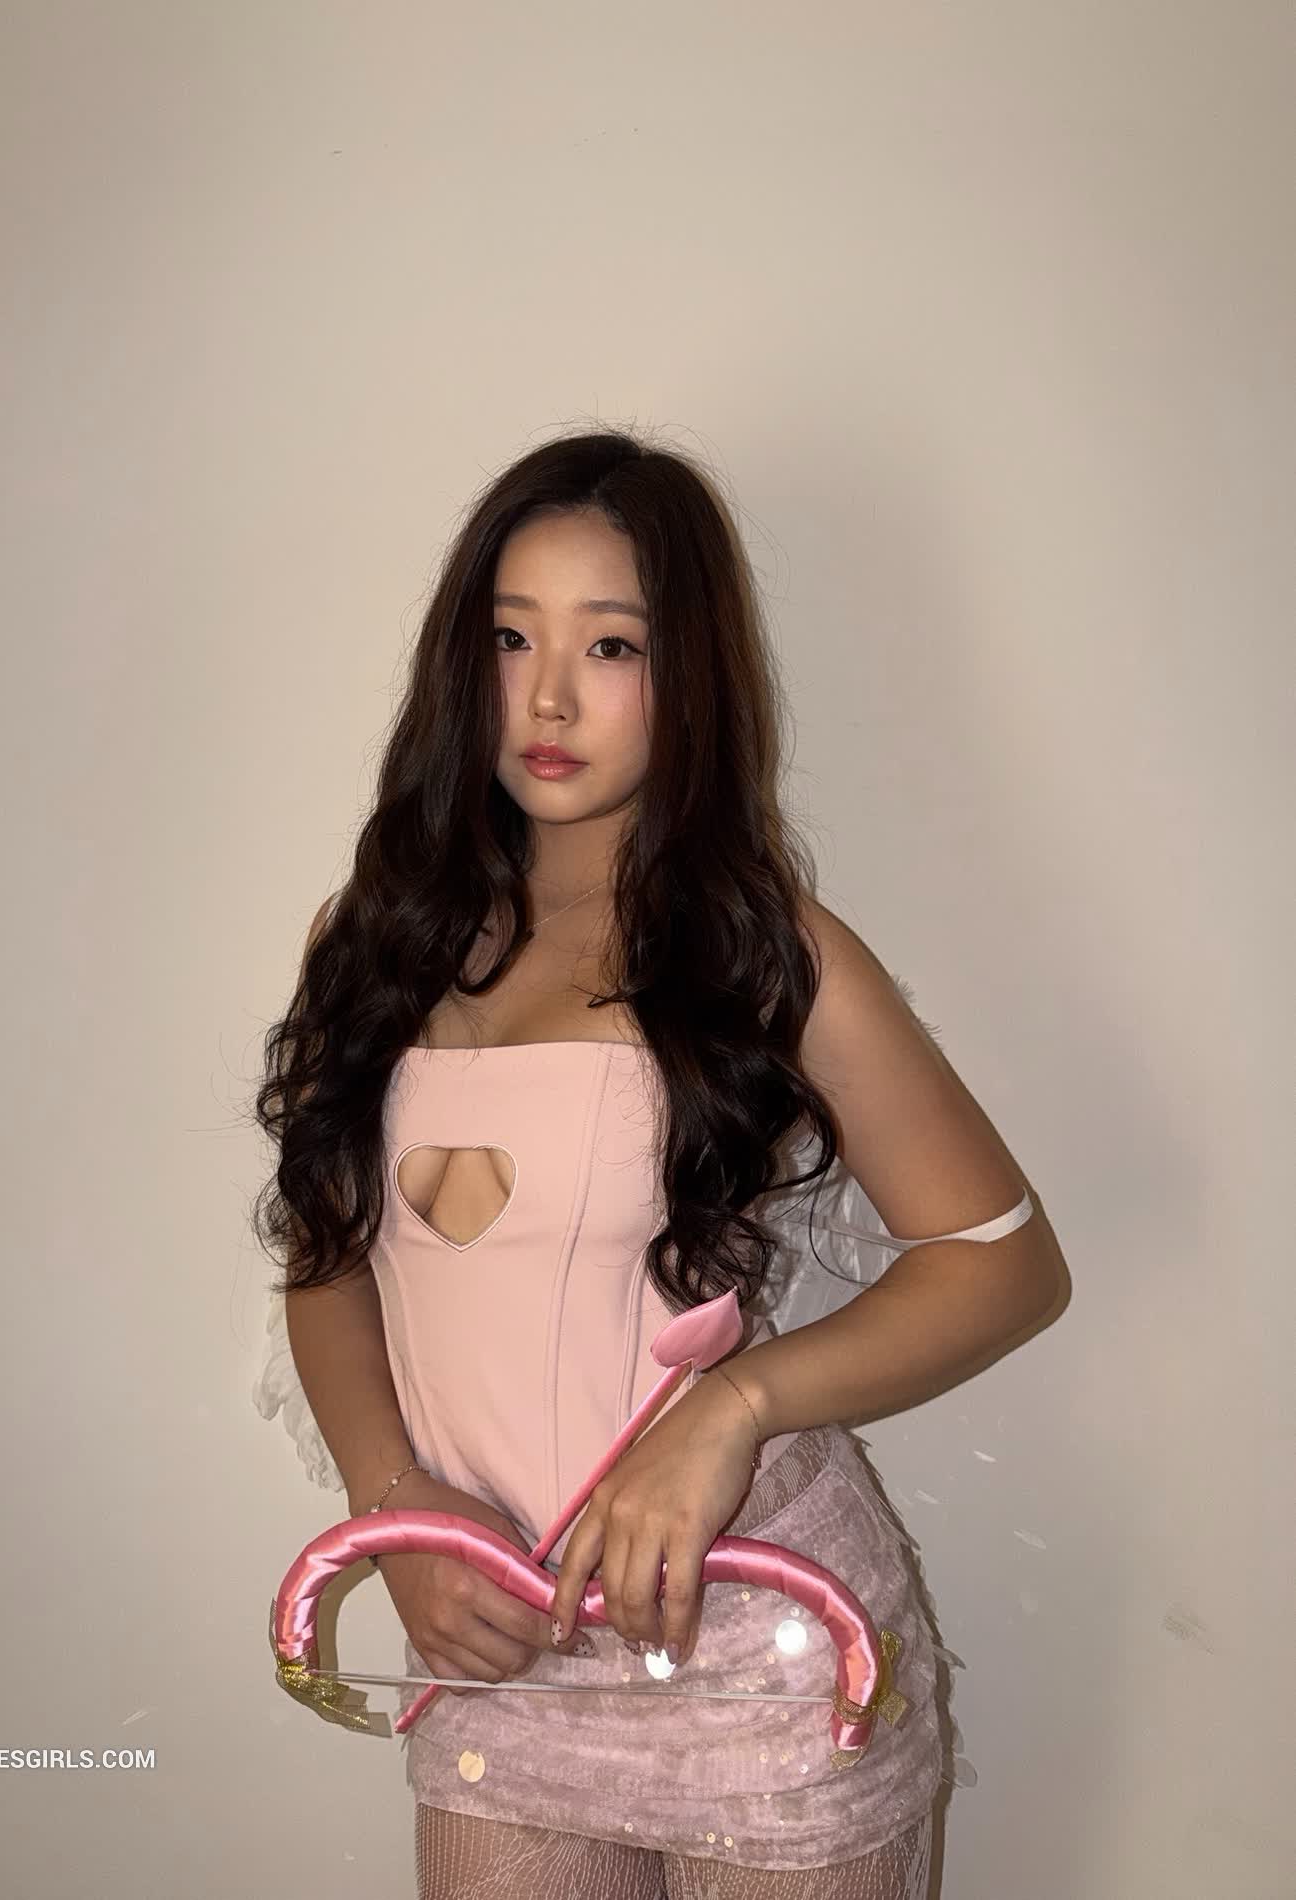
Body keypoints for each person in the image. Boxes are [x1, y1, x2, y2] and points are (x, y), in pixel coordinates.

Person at [252, 428, 1068, 1897]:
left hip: (757, 1646)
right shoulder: (370, 940)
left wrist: (734, 1408)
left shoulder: (764, 952)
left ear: (687, 674)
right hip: (494, 1653)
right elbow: (327, 1264)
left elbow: (1002, 1265)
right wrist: (397, 1507)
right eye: (511, 638)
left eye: (611, 645)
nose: (549, 696)